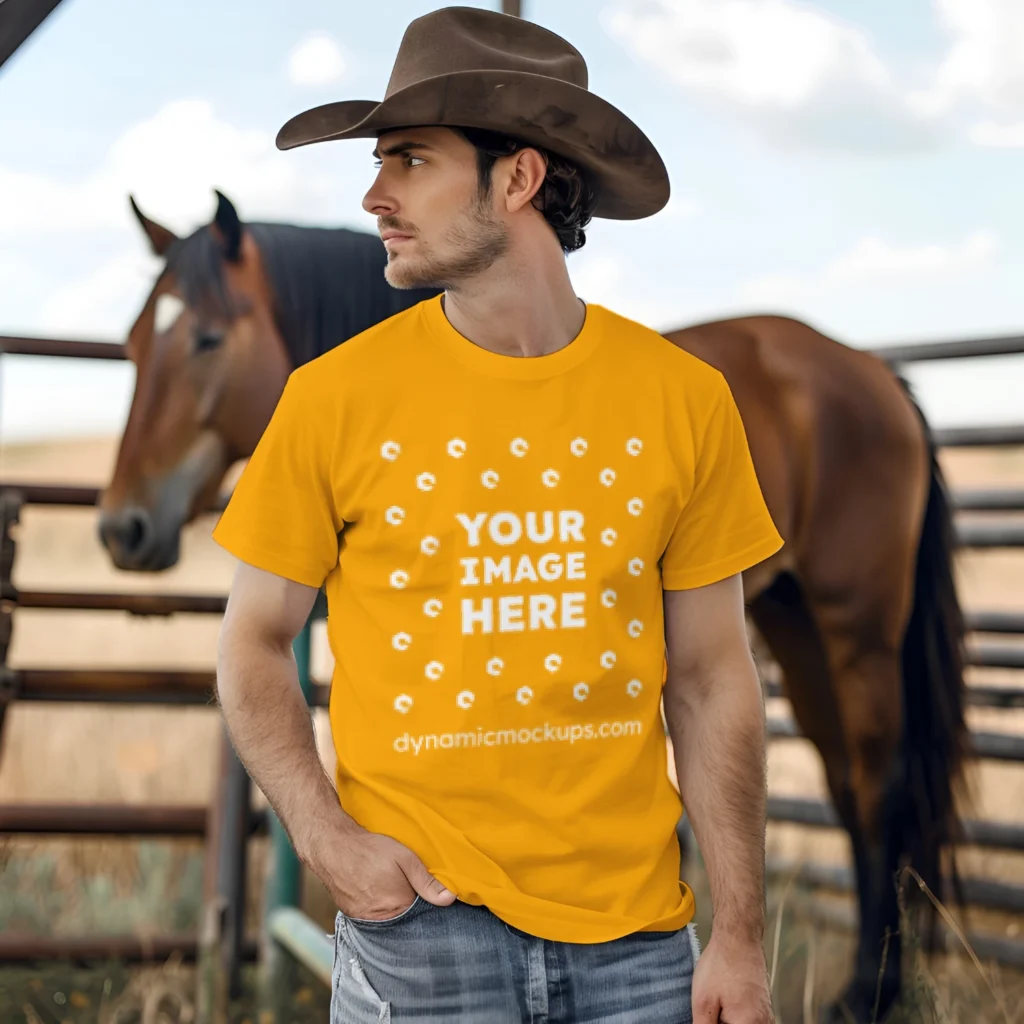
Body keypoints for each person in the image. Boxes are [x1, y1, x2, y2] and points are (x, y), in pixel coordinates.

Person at [212, 7, 782, 1023]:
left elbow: (709, 678)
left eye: (411, 160)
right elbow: (254, 645)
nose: (374, 194)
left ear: (515, 179)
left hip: (641, 948)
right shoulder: (332, 400)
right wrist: (326, 840)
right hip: (420, 934)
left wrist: (736, 933)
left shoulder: (681, 399)